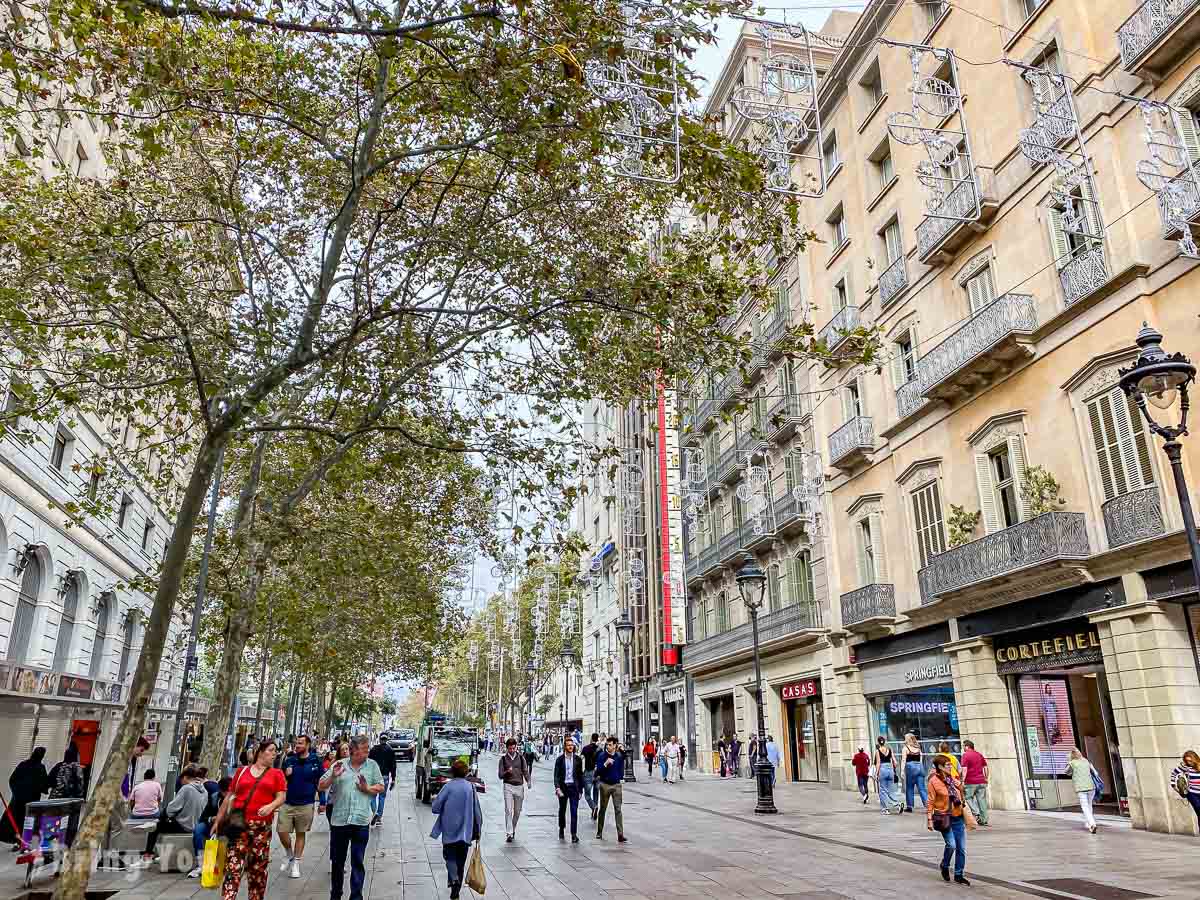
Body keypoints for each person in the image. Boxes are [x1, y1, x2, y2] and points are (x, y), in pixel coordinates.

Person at [214, 739, 287, 900]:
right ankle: (228, 897)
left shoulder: (277, 774)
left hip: (261, 828)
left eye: (276, 751)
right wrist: (218, 819)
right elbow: (230, 796)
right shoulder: (241, 771)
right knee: (233, 866)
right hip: (239, 825)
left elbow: (281, 796)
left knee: (257, 869)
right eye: (271, 750)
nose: (274, 753)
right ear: (260, 752)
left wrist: (271, 806)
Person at [320, 734, 385, 900]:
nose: (367, 751)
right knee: (337, 862)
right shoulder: (339, 765)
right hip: (339, 821)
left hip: (360, 821)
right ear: (354, 750)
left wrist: (367, 789)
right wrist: (333, 776)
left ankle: (356, 896)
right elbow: (321, 785)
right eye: (364, 749)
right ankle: (336, 894)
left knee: (357, 861)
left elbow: (380, 787)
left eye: (367, 748)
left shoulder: (372, 766)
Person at [431, 759, 482, 900]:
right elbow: (477, 811)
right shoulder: (470, 787)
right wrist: (478, 830)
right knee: (460, 862)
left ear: (452, 772)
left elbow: (435, 808)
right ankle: (455, 892)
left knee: (449, 857)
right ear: (466, 772)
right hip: (465, 832)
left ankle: (453, 879)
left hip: (449, 831)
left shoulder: (448, 787)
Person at [143, 765, 208, 866]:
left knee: (156, 826)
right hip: (196, 825)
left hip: (183, 825)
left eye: (181, 779)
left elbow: (171, 809)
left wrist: (165, 815)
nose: (180, 782)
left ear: (185, 777)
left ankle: (148, 855)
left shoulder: (186, 788)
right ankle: (162, 853)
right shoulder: (205, 791)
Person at [278, 734, 323, 878]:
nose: (297, 745)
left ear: (308, 745)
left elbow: (320, 782)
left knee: (300, 833)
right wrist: (286, 774)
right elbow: (281, 780)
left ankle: (296, 863)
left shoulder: (315, 760)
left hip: (306, 803)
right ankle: (289, 853)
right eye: (296, 743)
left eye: (300, 743)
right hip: (288, 802)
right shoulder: (290, 760)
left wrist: (322, 801)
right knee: (281, 831)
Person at [927, 754, 969, 886]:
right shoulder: (933, 781)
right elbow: (930, 800)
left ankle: (958, 874)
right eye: (948, 765)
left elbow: (961, 791)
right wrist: (929, 818)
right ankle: (944, 865)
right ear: (940, 767)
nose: (951, 766)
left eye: (951, 764)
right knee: (952, 845)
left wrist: (961, 786)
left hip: (958, 816)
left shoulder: (952, 779)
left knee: (961, 848)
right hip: (944, 817)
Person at [2, 748, 47, 847]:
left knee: (15, 820)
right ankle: (21, 842)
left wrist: (16, 792)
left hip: (18, 800)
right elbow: (43, 785)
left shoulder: (23, 764)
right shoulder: (40, 767)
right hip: (31, 802)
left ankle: (15, 841)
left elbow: (12, 779)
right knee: (27, 823)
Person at [595, 736, 627, 843]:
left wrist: (622, 749)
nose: (607, 746)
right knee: (603, 809)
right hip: (605, 785)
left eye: (610, 745)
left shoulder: (618, 755)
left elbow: (625, 756)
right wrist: (605, 764)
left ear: (614, 745)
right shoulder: (602, 756)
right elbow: (597, 772)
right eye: (607, 744)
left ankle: (620, 834)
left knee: (618, 810)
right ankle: (599, 832)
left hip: (616, 785)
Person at [498, 737, 530, 842]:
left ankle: (513, 828)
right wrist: (507, 771)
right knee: (508, 810)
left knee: (517, 811)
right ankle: (509, 833)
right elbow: (500, 775)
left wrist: (528, 780)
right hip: (508, 786)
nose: (512, 750)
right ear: (506, 748)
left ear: (516, 747)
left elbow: (525, 770)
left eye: (513, 748)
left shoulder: (521, 758)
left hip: (519, 786)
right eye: (510, 749)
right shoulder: (503, 759)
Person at [554, 736, 583, 842]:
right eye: (569, 745)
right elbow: (556, 775)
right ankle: (561, 828)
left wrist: (580, 790)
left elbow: (580, 776)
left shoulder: (578, 760)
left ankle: (574, 834)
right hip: (563, 788)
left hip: (574, 788)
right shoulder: (560, 760)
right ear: (565, 747)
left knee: (574, 812)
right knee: (562, 810)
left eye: (572, 745)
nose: (571, 747)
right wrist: (557, 788)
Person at [1067, 747, 1099, 833]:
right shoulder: (1085, 761)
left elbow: (1066, 772)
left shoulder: (1072, 763)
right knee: (1089, 805)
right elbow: (1095, 773)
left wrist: (1069, 763)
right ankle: (1088, 823)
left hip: (1081, 789)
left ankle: (1092, 824)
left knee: (1085, 807)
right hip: (1091, 787)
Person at [367, 733, 396, 827]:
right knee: (382, 797)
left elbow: (368, 763)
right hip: (385, 777)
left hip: (374, 777)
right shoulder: (390, 750)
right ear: (386, 740)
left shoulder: (373, 749)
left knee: (372, 796)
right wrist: (393, 779)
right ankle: (379, 818)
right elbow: (393, 766)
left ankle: (375, 812)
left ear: (379, 739)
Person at [961, 740, 990, 826]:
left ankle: (976, 813)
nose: (963, 748)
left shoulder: (965, 755)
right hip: (981, 781)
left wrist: (963, 780)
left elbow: (964, 769)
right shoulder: (979, 755)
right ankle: (984, 819)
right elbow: (985, 767)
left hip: (970, 782)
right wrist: (986, 778)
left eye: (963, 746)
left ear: (967, 746)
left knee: (968, 797)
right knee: (982, 800)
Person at [1170, 750, 1200, 826]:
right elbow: (1174, 773)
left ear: (1195, 759)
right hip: (1193, 794)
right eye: (1187, 761)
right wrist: (1173, 785)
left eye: (1190, 761)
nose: (1189, 763)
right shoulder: (1186, 766)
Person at [874, 736, 901, 814]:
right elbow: (895, 762)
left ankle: (885, 809)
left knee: (882, 790)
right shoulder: (889, 750)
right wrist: (893, 769)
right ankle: (897, 804)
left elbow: (878, 763)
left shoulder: (877, 751)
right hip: (890, 770)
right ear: (884, 742)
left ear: (878, 742)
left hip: (882, 770)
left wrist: (876, 774)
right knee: (891, 789)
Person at [902, 733, 927, 813]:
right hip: (920, 768)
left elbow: (903, 760)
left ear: (908, 739)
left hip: (911, 769)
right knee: (922, 789)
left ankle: (909, 806)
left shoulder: (905, 748)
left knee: (909, 788)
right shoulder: (918, 748)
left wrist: (902, 771)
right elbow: (920, 759)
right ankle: (928, 806)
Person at [581, 733, 600, 820]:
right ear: (597, 739)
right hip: (598, 774)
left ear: (591, 739)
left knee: (587, 795)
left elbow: (580, 758)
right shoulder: (600, 750)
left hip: (588, 772)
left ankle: (593, 807)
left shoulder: (585, 748)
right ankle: (595, 807)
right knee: (596, 792)